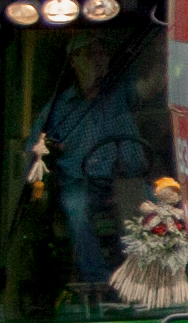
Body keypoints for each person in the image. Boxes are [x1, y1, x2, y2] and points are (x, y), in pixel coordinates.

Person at [32, 29, 151, 288]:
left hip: (127, 179)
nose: (98, 60)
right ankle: (97, 280)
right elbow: (36, 146)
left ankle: (146, 278)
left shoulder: (122, 93)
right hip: (82, 182)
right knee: (75, 208)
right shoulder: (60, 107)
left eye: (103, 53)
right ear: (73, 60)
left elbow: (150, 87)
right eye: (90, 54)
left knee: (159, 208)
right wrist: (45, 147)